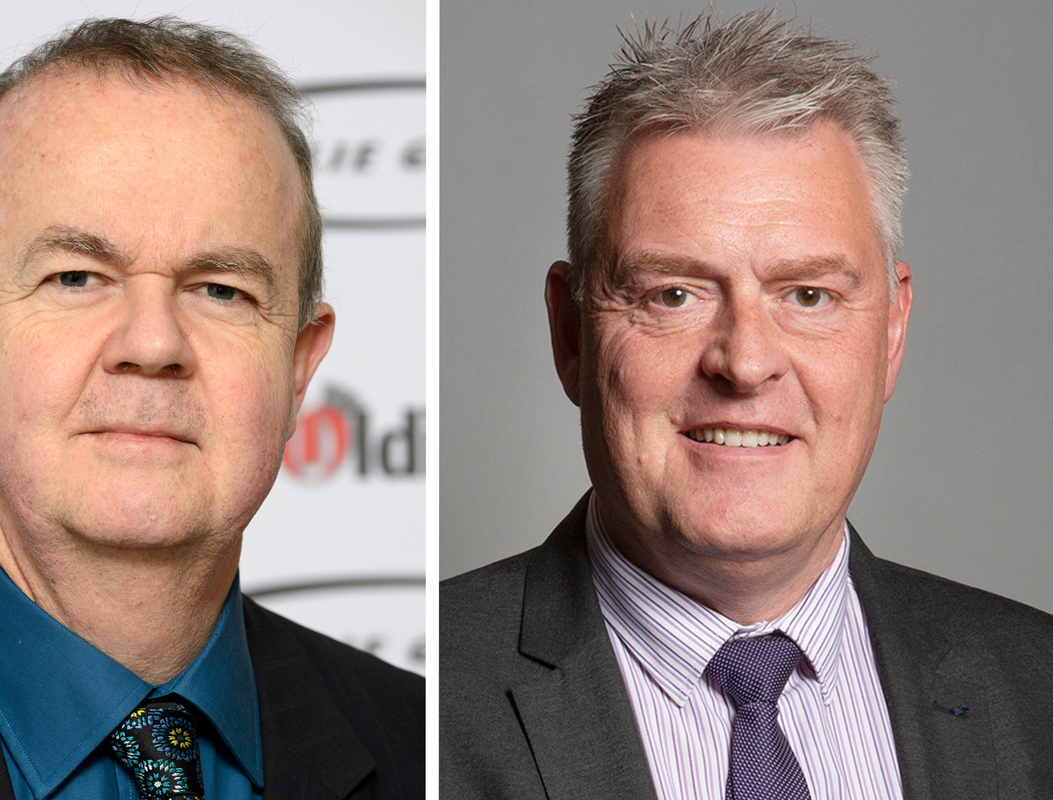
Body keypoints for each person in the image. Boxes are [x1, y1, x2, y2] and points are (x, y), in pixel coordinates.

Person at [441, 11, 1053, 799]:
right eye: (673, 293)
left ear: (892, 332)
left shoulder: (1035, 691)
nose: (746, 362)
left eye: (808, 294)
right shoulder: (429, 705)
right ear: (571, 332)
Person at [0, 17, 422, 799]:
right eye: (76, 277)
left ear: (298, 368)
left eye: (222, 289)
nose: (153, 344)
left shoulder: (421, 744)